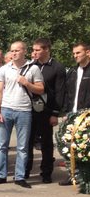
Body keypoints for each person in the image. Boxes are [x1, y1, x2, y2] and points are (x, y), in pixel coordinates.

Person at [0, 41, 44, 188]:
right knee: (2, 145)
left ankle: (20, 176)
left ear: (24, 51)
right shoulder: (4, 69)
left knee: (22, 147)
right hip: (6, 109)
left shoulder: (33, 68)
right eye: (12, 51)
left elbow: (41, 89)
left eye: (17, 50)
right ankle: (1, 175)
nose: (14, 53)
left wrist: (27, 83)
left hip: (24, 110)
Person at [26, 38, 66, 183]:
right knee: (27, 141)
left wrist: (55, 113)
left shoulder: (57, 67)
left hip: (47, 110)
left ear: (47, 49)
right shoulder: (30, 66)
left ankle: (47, 172)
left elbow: (60, 92)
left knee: (46, 143)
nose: (34, 52)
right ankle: (25, 170)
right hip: (29, 109)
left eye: (38, 50)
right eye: (33, 50)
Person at [59, 42, 90, 186]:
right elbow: (67, 93)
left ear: (88, 53)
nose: (75, 56)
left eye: (78, 53)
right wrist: (66, 112)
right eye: (74, 53)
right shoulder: (72, 72)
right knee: (72, 145)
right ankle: (73, 174)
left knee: (86, 146)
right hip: (73, 115)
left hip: (87, 115)